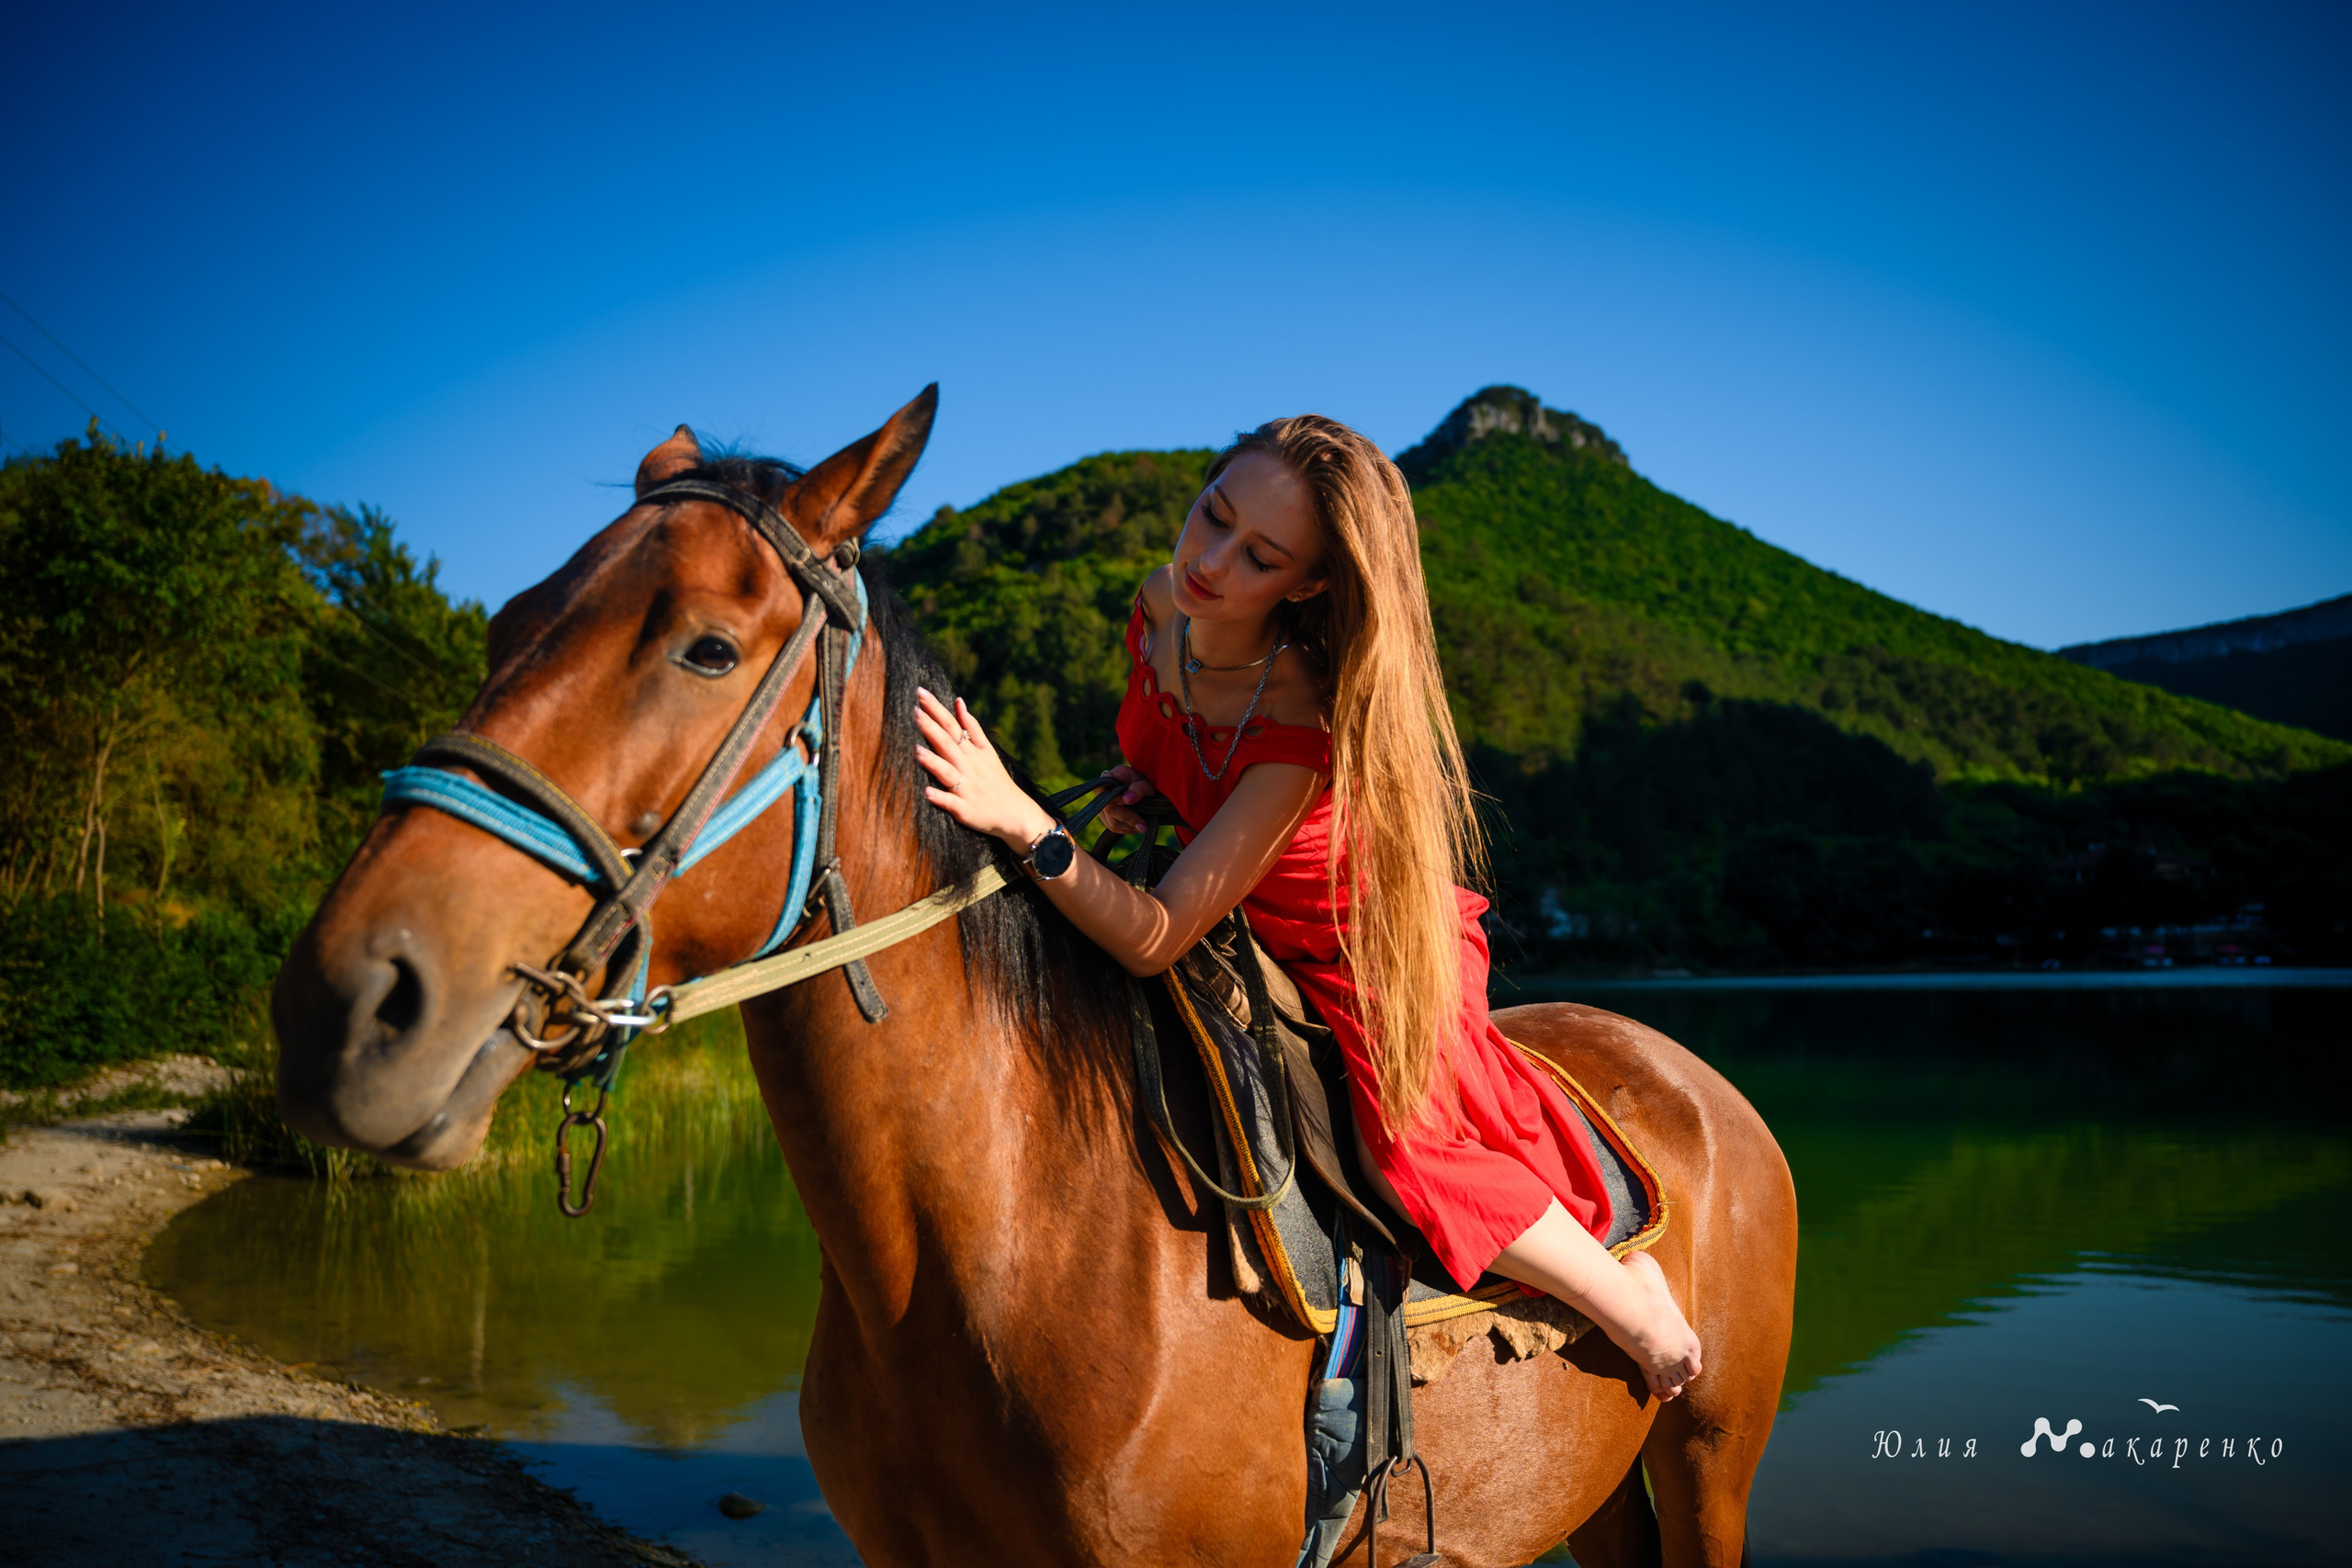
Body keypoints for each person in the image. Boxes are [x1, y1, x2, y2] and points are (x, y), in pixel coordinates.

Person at [911, 415, 1703, 1402]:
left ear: (1307, 585)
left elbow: (1154, 938)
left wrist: (1022, 819)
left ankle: (1635, 1303)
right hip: (1244, 918)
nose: (1210, 562)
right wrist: (1151, 788)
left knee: (1403, 1152)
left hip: (1363, 952)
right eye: (1214, 516)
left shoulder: (1298, 724)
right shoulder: (1159, 606)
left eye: (1260, 557)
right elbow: (1171, 745)